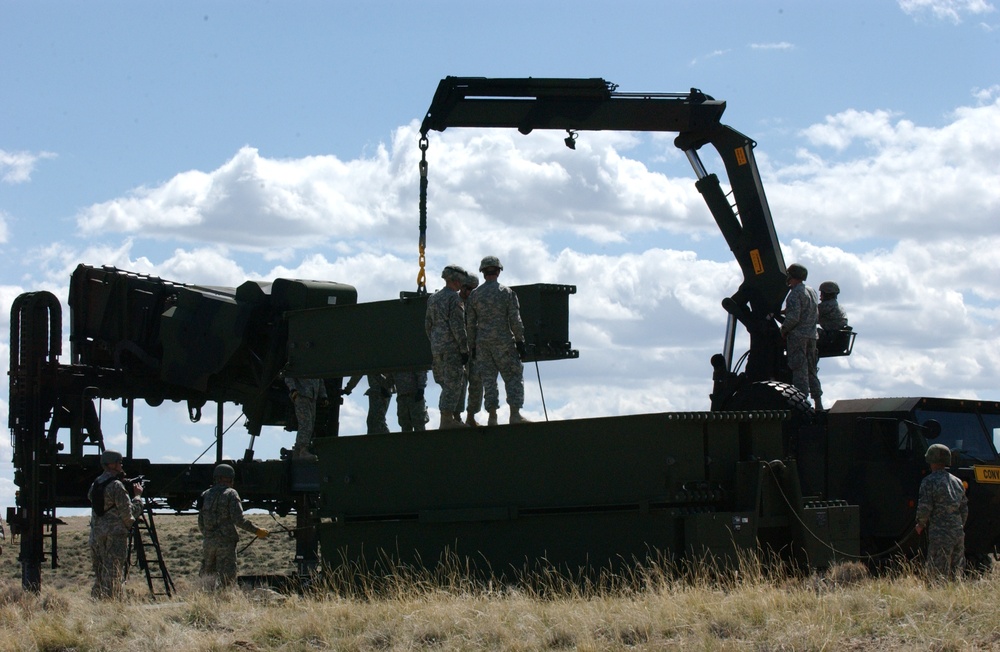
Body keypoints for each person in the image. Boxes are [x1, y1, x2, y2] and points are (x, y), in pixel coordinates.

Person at [467, 256, 530, 425]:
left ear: (483, 272)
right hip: (503, 343)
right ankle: (514, 414)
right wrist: (520, 341)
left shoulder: (475, 295)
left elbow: (470, 324)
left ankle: (492, 416)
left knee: (488, 380)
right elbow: (515, 319)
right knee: (513, 376)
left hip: (482, 344)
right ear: (498, 271)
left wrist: (472, 346)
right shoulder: (506, 293)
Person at [197, 463, 269, 589]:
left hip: (208, 542)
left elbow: (201, 521)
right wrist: (257, 531)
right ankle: (224, 602)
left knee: (207, 575)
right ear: (229, 478)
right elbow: (239, 520)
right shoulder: (231, 494)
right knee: (227, 578)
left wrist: (209, 535)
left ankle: (204, 600)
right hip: (226, 543)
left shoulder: (205, 494)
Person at [87, 449, 144, 599]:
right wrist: (137, 497)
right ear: (112, 464)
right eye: (119, 462)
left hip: (96, 536)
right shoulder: (117, 486)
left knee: (100, 576)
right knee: (113, 575)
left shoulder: (96, 484)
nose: (121, 465)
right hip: (114, 537)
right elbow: (128, 514)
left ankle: (96, 606)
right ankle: (111, 608)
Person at [425, 264, 471, 429]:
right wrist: (464, 349)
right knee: (453, 384)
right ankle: (446, 420)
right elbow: (458, 326)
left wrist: (436, 342)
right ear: (456, 280)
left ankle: (448, 419)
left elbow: (428, 325)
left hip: (437, 349)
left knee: (445, 384)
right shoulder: (454, 298)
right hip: (452, 349)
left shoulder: (433, 298)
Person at [915, 443, 968, 582]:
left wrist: (920, 524)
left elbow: (925, 507)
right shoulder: (957, 482)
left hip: (940, 533)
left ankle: (938, 600)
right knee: (956, 573)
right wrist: (958, 525)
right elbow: (964, 509)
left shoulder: (929, 481)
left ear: (931, 460)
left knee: (937, 574)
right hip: (957, 532)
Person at [780, 263, 823, 410]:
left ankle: (803, 406)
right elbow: (809, 311)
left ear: (791, 276)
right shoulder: (811, 291)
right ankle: (818, 404)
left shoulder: (794, 294)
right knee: (812, 370)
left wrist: (783, 330)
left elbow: (794, 319)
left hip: (798, 337)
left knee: (800, 371)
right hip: (812, 336)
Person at [459, 272, 484, 427]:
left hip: (475, 349)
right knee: (458, 384)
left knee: (476, 382)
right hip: (458, 350)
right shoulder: (453, 301)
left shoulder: (479, 303)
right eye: (467, 288)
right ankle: (455, 416)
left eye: (473, 289)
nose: (469, 292)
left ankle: (471, 416)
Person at [284, 376, 328, 459]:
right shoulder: (301, 364)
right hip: (302, 395)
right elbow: (289, 376)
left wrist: (323, 396)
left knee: (310, 425)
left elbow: (320, 380)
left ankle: (298, 451)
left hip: (312, 397)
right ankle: (302, 450)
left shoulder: (315, 366)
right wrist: (293, 389)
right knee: (306, 424)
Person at [817, 281, 849, 353]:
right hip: (835, 338)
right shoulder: (836, 305)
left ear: (825, 293)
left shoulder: (826, 306)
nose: (820, 296)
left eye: (821, 293)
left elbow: (808, 316)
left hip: (831, 339)